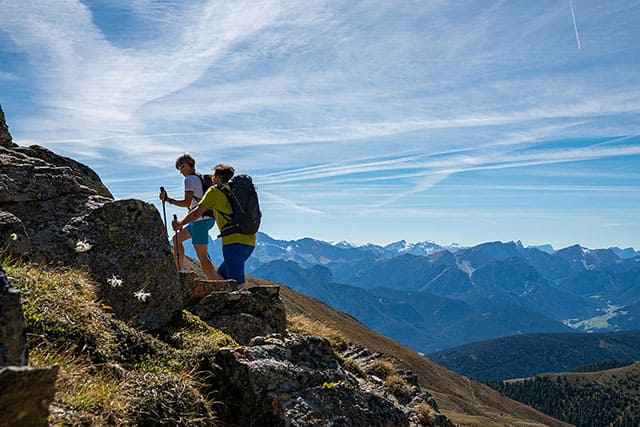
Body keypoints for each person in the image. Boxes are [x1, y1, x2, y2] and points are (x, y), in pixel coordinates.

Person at [172, 163, 255, 287]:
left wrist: (181, 223)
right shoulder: (236, 192)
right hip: (250, 242)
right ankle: (218, 300)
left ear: (217, 177)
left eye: (212, 178)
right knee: (221, 278)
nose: (212, 180)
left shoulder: (215, 191)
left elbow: (197, 213)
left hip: (233, 244)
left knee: (238, 286)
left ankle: (247, 306)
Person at [160, 153, 223, 280]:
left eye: (181, 167)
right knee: (177, 239)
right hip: (206, 219)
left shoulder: (189, 180)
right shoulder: (200, 178)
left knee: (202, 256)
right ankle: (178, 273)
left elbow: (186, 203)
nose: (181, 171)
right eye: (179, 169)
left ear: (189, 165)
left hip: (199, 219)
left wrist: (168, 200)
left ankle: (216, 285)